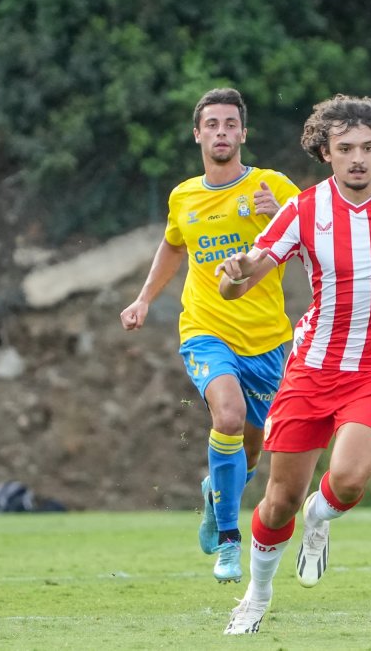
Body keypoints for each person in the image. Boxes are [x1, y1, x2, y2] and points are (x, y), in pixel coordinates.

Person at [213, 94, 371, 635]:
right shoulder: (303, 211)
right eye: (346, 148)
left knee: (348, 481)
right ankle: (256, 596)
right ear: (324, 152)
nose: (358, 158)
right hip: (313, 368)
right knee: (279, 501)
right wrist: (233, 274)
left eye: (368, 148)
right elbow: (241, 282)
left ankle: (320, 516)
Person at [119, 87, 300, 583]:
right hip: (205, 329)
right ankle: (228, 540)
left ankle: (214, 495)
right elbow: (173, 246)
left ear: (244, 134)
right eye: (212, 124)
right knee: (229, 415)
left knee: (251, 452)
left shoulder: (273, 186)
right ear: (197, 134)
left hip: (267, 340)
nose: (222, 132)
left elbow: (315, 241)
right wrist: (144, 298)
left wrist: (279, 216)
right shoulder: (183, 196)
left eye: (230, 124)